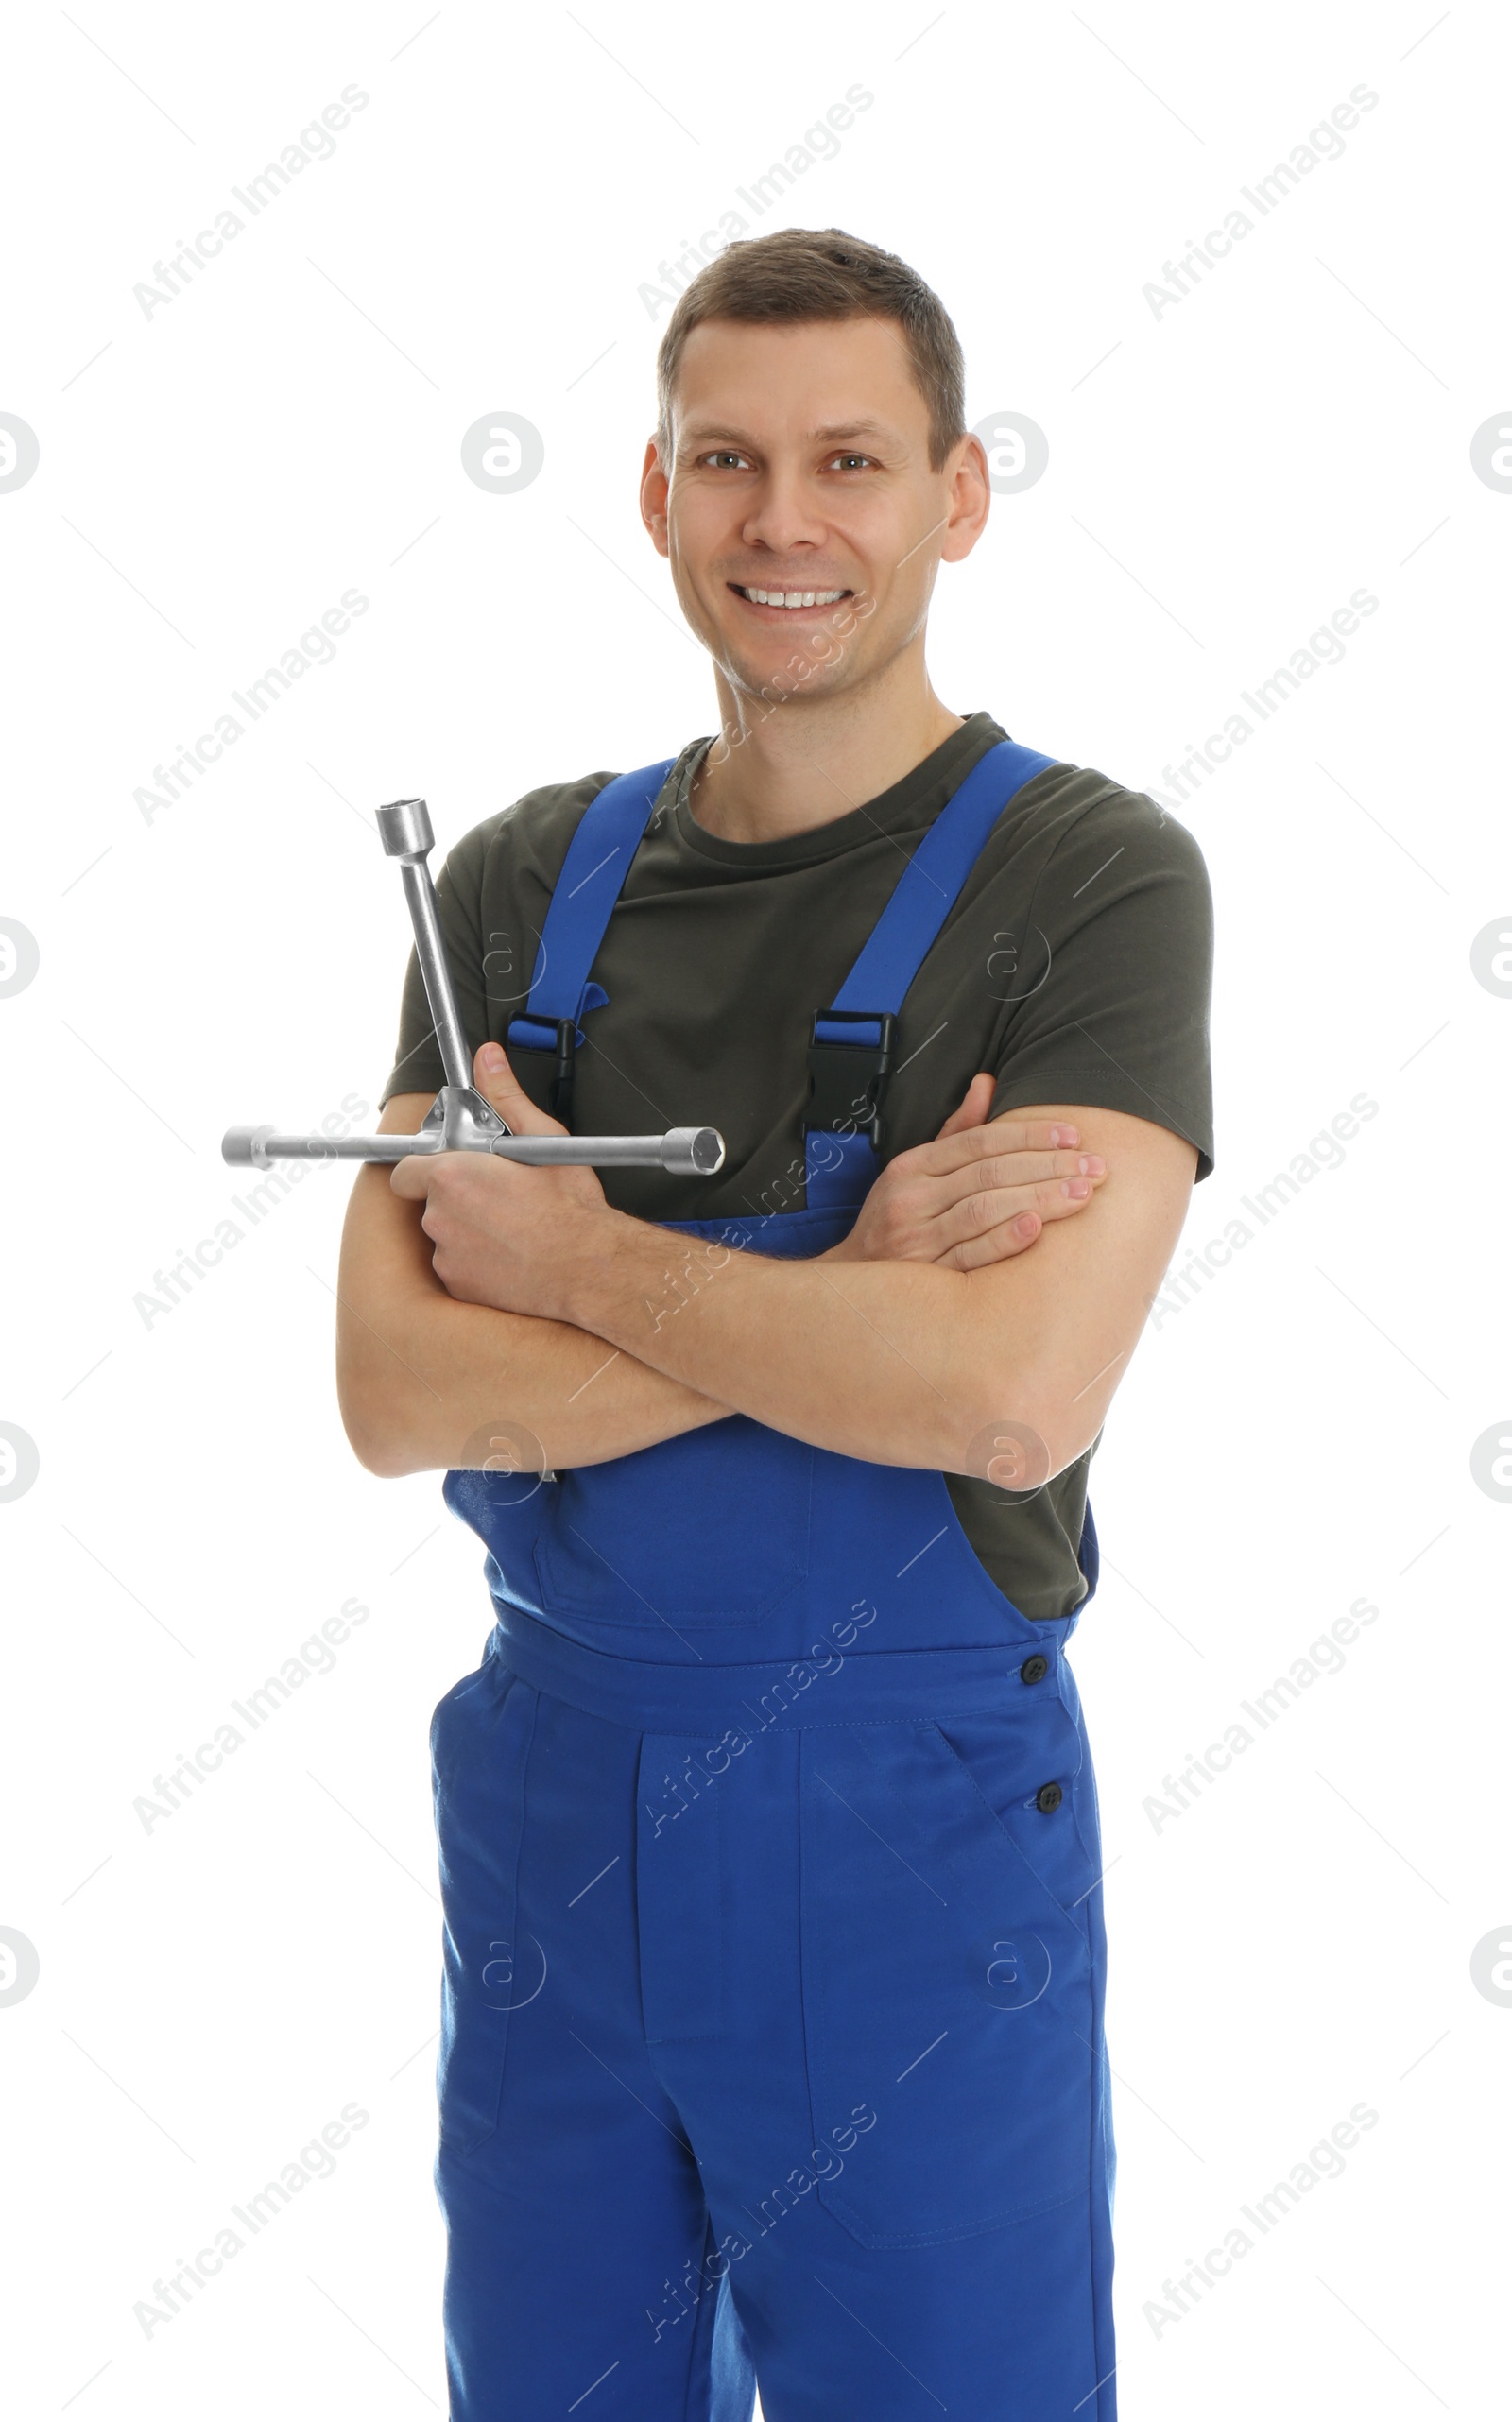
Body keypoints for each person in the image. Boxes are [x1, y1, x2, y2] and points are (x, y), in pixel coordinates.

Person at [335, 225, 1213, 2422]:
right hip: (555, 1809)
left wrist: (568, 1265)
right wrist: (840, 1291)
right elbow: (389, 1388)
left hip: (896, 1832)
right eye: (723, 461)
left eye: (847, 458)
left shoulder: (1087, 883)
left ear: (956, 492)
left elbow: (1007, 1398)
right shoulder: (516, 889)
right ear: (652, 496)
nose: (782, 523)